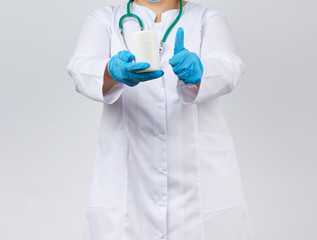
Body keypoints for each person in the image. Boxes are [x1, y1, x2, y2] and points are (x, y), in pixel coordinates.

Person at [67, 0, 254, 239]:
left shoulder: (207, 17)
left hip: (196, 176)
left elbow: (230, 64)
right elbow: (80, 66)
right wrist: (110, 71)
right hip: (130, 172)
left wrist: (200, 72)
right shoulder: (105, 19)